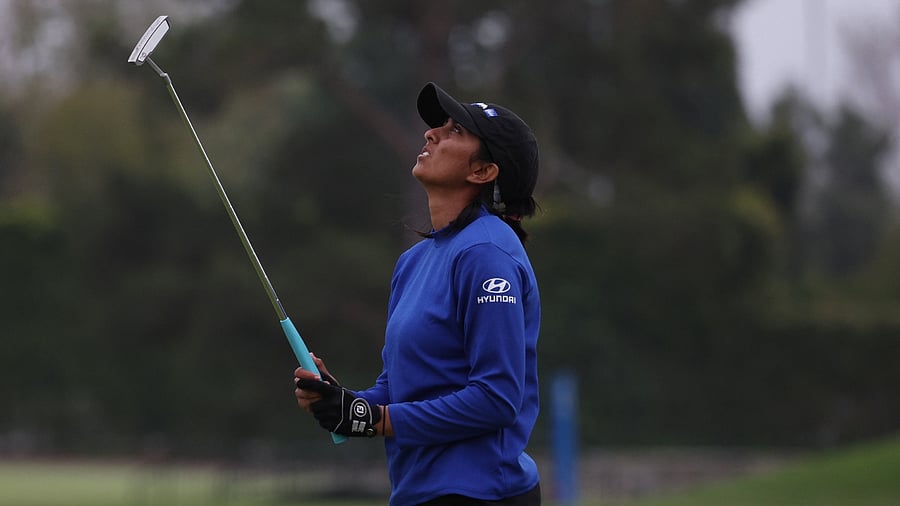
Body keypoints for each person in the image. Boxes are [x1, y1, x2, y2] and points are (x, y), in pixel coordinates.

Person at [295, 82, 542, 506]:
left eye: (455, 131)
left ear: (483, 172)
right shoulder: (413, 261)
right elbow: (399, 387)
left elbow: (496, 399)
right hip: (418, 493)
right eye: (438, 126)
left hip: (481, 493)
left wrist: (375, 419)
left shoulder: (487, 253)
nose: (431, 133)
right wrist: (344, 403)